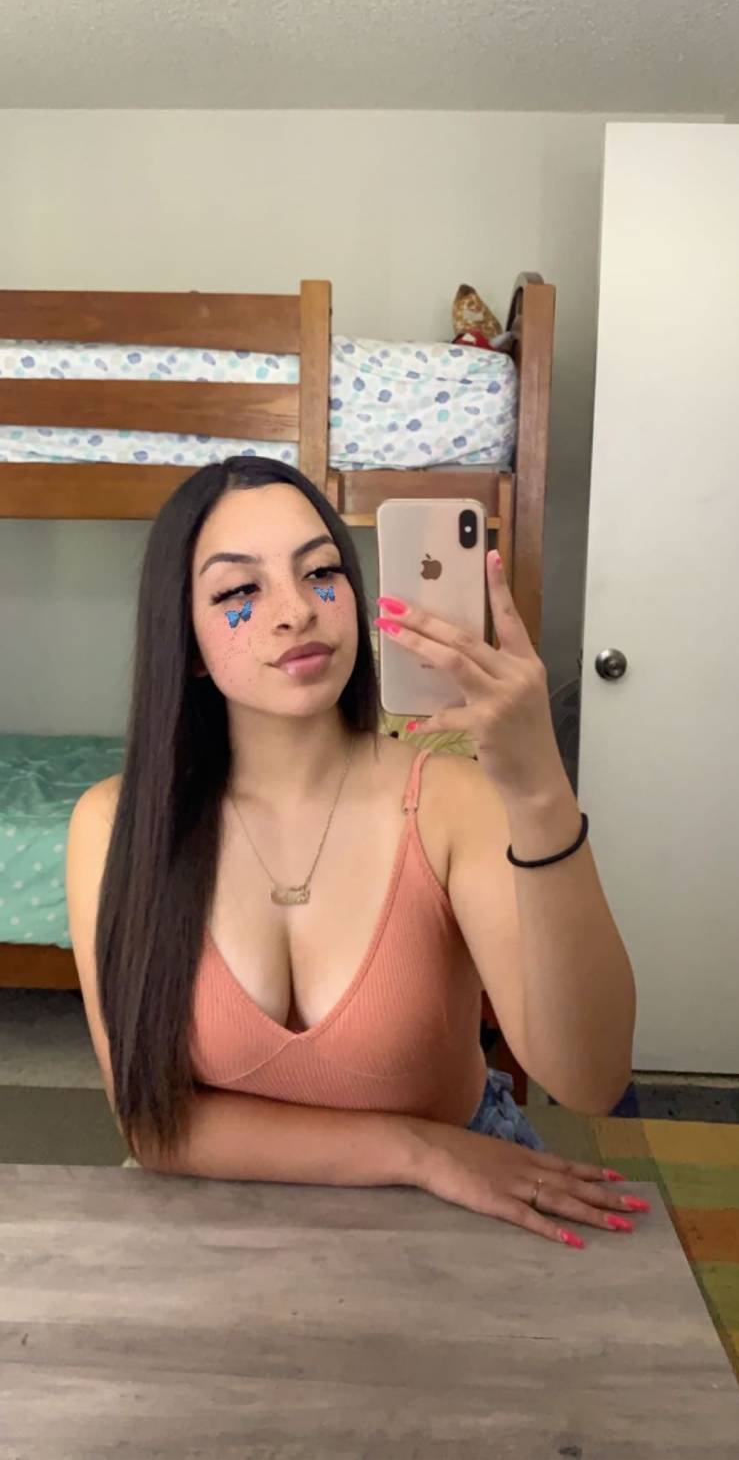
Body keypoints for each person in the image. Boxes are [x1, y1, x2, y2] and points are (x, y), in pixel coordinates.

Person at [66, 455, 646, 1252]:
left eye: (322, 572)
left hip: (455, 1212)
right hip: (230, 1209)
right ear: (188, 642)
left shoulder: (451, 801)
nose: (297, 611)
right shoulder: (114, 826)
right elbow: (152, 1122)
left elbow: (591, 1077)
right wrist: (415, 1150)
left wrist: (540, 791)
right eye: (239, 590)